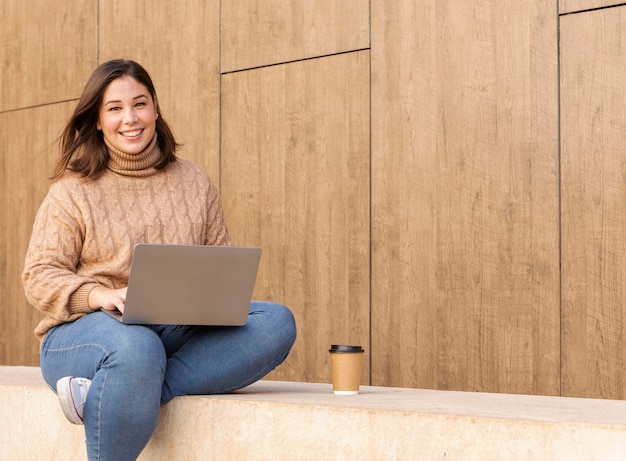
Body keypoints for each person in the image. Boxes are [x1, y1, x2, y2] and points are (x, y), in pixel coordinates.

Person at [22, 59, 297, 460]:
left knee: (276, 322)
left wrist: (211, 300)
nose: (130, 119)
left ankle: (121, 388)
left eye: (140, 104)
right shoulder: (72, 191)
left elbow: (221, 265)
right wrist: (101, 295)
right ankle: (130, 375)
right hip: (86, 334)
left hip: (174, 330)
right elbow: (38, 275)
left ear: (155, 109)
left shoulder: (194, 181)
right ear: (98, 120)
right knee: (137, 348)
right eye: (114, 108)